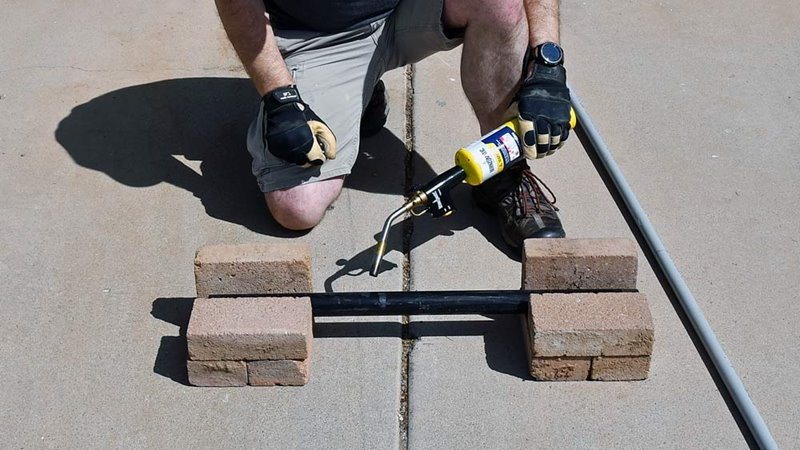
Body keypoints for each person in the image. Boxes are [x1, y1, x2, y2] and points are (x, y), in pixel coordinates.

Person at [215, 0, 572, 248]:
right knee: (297, 207)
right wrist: (279, 96)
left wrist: (547, 62)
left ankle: (502, 175)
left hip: (400, 10)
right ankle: (351, 89)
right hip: (317, 39)